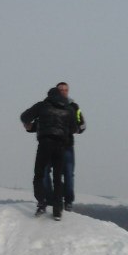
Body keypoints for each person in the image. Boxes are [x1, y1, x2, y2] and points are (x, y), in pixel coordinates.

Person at [20, 88, 77, 220]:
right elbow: (73, 128)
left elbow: (24, 117)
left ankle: (41, 203)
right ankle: (57, 210)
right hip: (61, 145)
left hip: (45, 143)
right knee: (58, 177)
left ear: (49, 96)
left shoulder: (42, 106)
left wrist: (34, 125)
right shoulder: (69, 109)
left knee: (39, 174)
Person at [42, 81, 86, 211]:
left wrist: (75, 129)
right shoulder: (46, 105)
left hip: (66, 146)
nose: (63, 92)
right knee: (44, 171)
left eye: (65, 90)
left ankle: (68, 201)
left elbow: (82, 125)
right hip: (48, 145)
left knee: (68, 174)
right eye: (60, 90)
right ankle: (50, 199)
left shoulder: (73, 106)